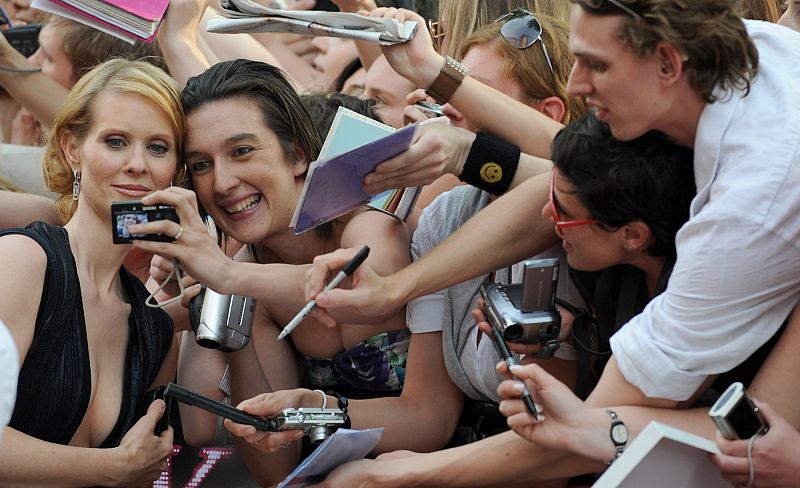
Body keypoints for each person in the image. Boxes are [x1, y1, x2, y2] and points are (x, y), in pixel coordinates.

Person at [302, 1, 800, 485]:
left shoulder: (749, 217)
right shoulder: (745, 54)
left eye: (595, 65)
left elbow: (593, 427)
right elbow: (565, 170)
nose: (576, 83)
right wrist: (397, 287)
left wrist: (398, 474)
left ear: (667, 63)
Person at [132, 59, 462, 486]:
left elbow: (369, 284)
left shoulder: (365, 219)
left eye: (242, 151)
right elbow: (274, 470)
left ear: (297, 155)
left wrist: (228, 275)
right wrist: (233, 324)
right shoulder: (245, 276)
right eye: (201, 165)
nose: (223, 182)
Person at [0, 58, 182, 486]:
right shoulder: (23, 263)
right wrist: (112, 468)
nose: (138, 163)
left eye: (158, 147)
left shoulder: (155, 328)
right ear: (72, 149)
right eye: (116, 141)